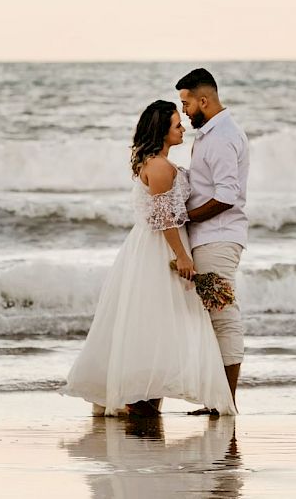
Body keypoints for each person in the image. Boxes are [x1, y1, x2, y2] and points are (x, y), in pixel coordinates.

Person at [60, 100, 236, 417]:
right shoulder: (157, 166)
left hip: (157, 245)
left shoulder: (161, 163)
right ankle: (139, 397)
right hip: (158, 249)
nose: (182, 129)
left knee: (156, 321)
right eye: (176, 126)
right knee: (153, 320)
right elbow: (162, 218)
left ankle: (147, 395)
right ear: (162, 132)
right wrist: (183, 257)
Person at [176, 69, 249, 413]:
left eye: (187, 103)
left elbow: (226, 196)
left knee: (223, 315)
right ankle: (218, 400)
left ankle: (226, 403)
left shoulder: (221, 137)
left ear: (204, 100)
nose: (185, 111)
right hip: (210, 239)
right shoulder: (210, 135)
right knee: (214, 316)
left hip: (218, 239)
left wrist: (186, 217)